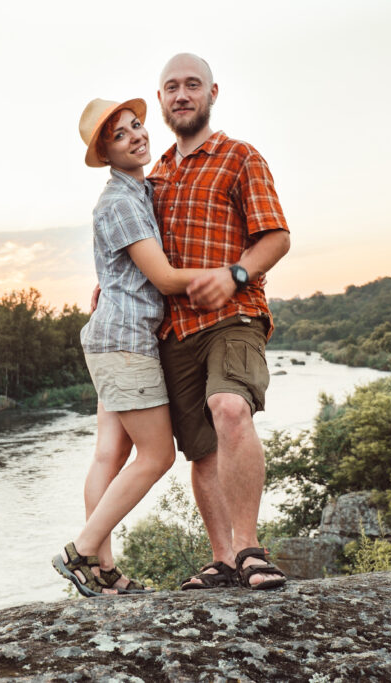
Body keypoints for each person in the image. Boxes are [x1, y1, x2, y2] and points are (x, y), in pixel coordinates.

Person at [52, 97, 229, 596]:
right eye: (120, 135)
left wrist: (105, 282)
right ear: (106, 154)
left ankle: (103, 572)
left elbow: (122, 268)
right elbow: (167, 278)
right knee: (157, 457)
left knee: (110, 453)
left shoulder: (137, 191)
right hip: (127, 342)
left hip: (113, 337)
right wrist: (231, 275)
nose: (136, 136)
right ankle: (82, 551)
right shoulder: (121, 201)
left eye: (136, 125)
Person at [148, 53, 291, 590]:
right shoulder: (154, 172)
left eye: (191, 85)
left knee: (230, 408)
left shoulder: (239, 157)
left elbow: (276, 236)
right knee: (201, 449)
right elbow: (142, 249)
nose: (181, 95)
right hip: (173, 329)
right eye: (171, 88)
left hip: (235, 314)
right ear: (161, 99)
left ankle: (252, 549)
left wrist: (234, 273)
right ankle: (223, 559)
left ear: (212, 92)